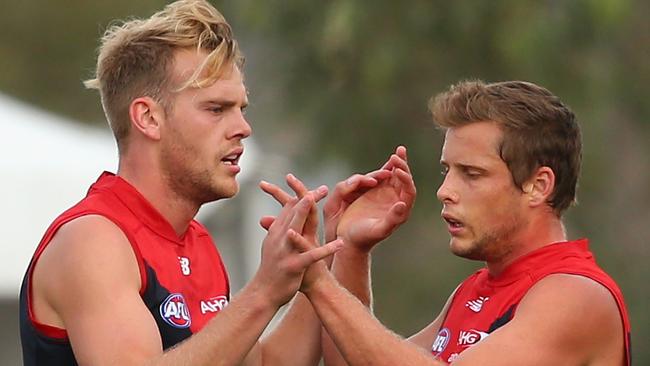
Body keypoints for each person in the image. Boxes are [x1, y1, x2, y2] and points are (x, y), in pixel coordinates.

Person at [18, 1, 345, 365]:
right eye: (216, 109)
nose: (243, 128)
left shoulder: (195, 240)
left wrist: (334, 252)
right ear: (148, 118)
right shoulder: (94, 241)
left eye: (242, 109)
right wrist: (263, 294)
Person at [281, 80, 632, 365]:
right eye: (447, 171)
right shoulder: (474, 290)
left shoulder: (575, 295)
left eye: (472, 174)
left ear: (538, 186)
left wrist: (320, 284)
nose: (444, 191)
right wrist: (351, 250)